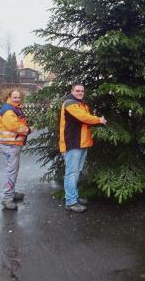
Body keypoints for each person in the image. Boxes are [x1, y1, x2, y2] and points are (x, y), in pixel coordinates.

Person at [60, 84, 107, 213]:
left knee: (76, 171)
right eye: (77, 90)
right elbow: (84, 118)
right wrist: (99, 120)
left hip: (82, 143)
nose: (80, 93)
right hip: (72, 143)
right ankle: (70, 202)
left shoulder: (82, 104)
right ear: (72, 91)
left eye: (82, 91)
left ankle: (73, 197)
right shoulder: (70, 103)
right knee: (71, 173)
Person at [0, 89, 31, 211]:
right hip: (10, 144)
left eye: (19, 97)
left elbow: (18, 122)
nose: (17, 99)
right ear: (9, 97)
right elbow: (14, 126)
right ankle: (7, 198)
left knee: (13, 168)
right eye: (15, 97)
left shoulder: (14, 109)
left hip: (13, 143)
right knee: (11, 170)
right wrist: (28, 129)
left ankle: (11, 192)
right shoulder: (8, 110)